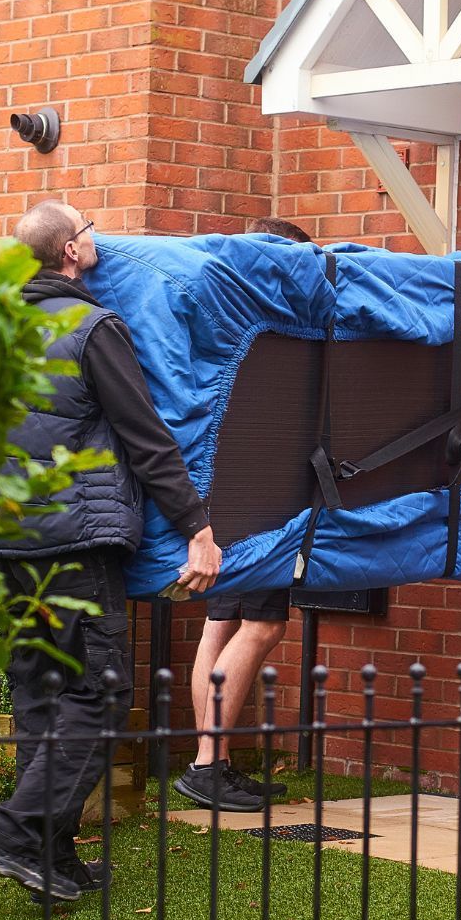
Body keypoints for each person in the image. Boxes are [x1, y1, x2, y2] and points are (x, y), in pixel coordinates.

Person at [0, 200, 222, 900]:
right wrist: (197, 527)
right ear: (73, 253)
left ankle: (51, 860)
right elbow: (146, 437)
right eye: (89, 233)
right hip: (78, 541)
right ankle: (16, 835)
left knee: (42, 698)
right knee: (101, 694)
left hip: (10, 543)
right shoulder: (93, 327)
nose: (97, 243)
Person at [175, 215, 312, 811]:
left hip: (223, 486)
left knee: (219, 624)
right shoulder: (277, 317)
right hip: (265, 491)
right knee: (264, 624)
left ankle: (212, 760)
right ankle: (209, 764)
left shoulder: (226, 305)